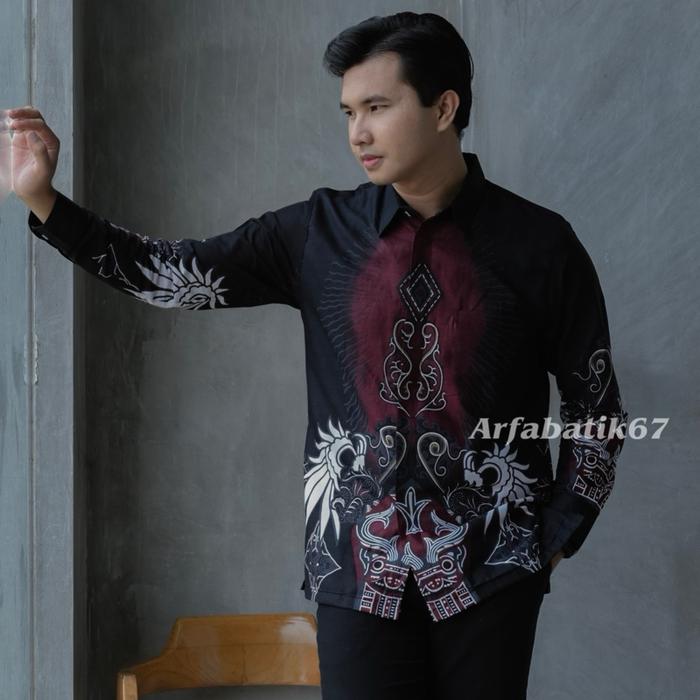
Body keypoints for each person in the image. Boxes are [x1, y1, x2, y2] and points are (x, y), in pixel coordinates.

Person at [4, 10, 627, 699]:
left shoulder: (540, 244)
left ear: (444, 107)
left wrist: (556, 536)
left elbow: (596, 406)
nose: (358, 132)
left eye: (377, 107)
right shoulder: (319, 234)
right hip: (356, 575)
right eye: (349, 112)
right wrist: (46, 202)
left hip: (494, 574)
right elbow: (176, 276)